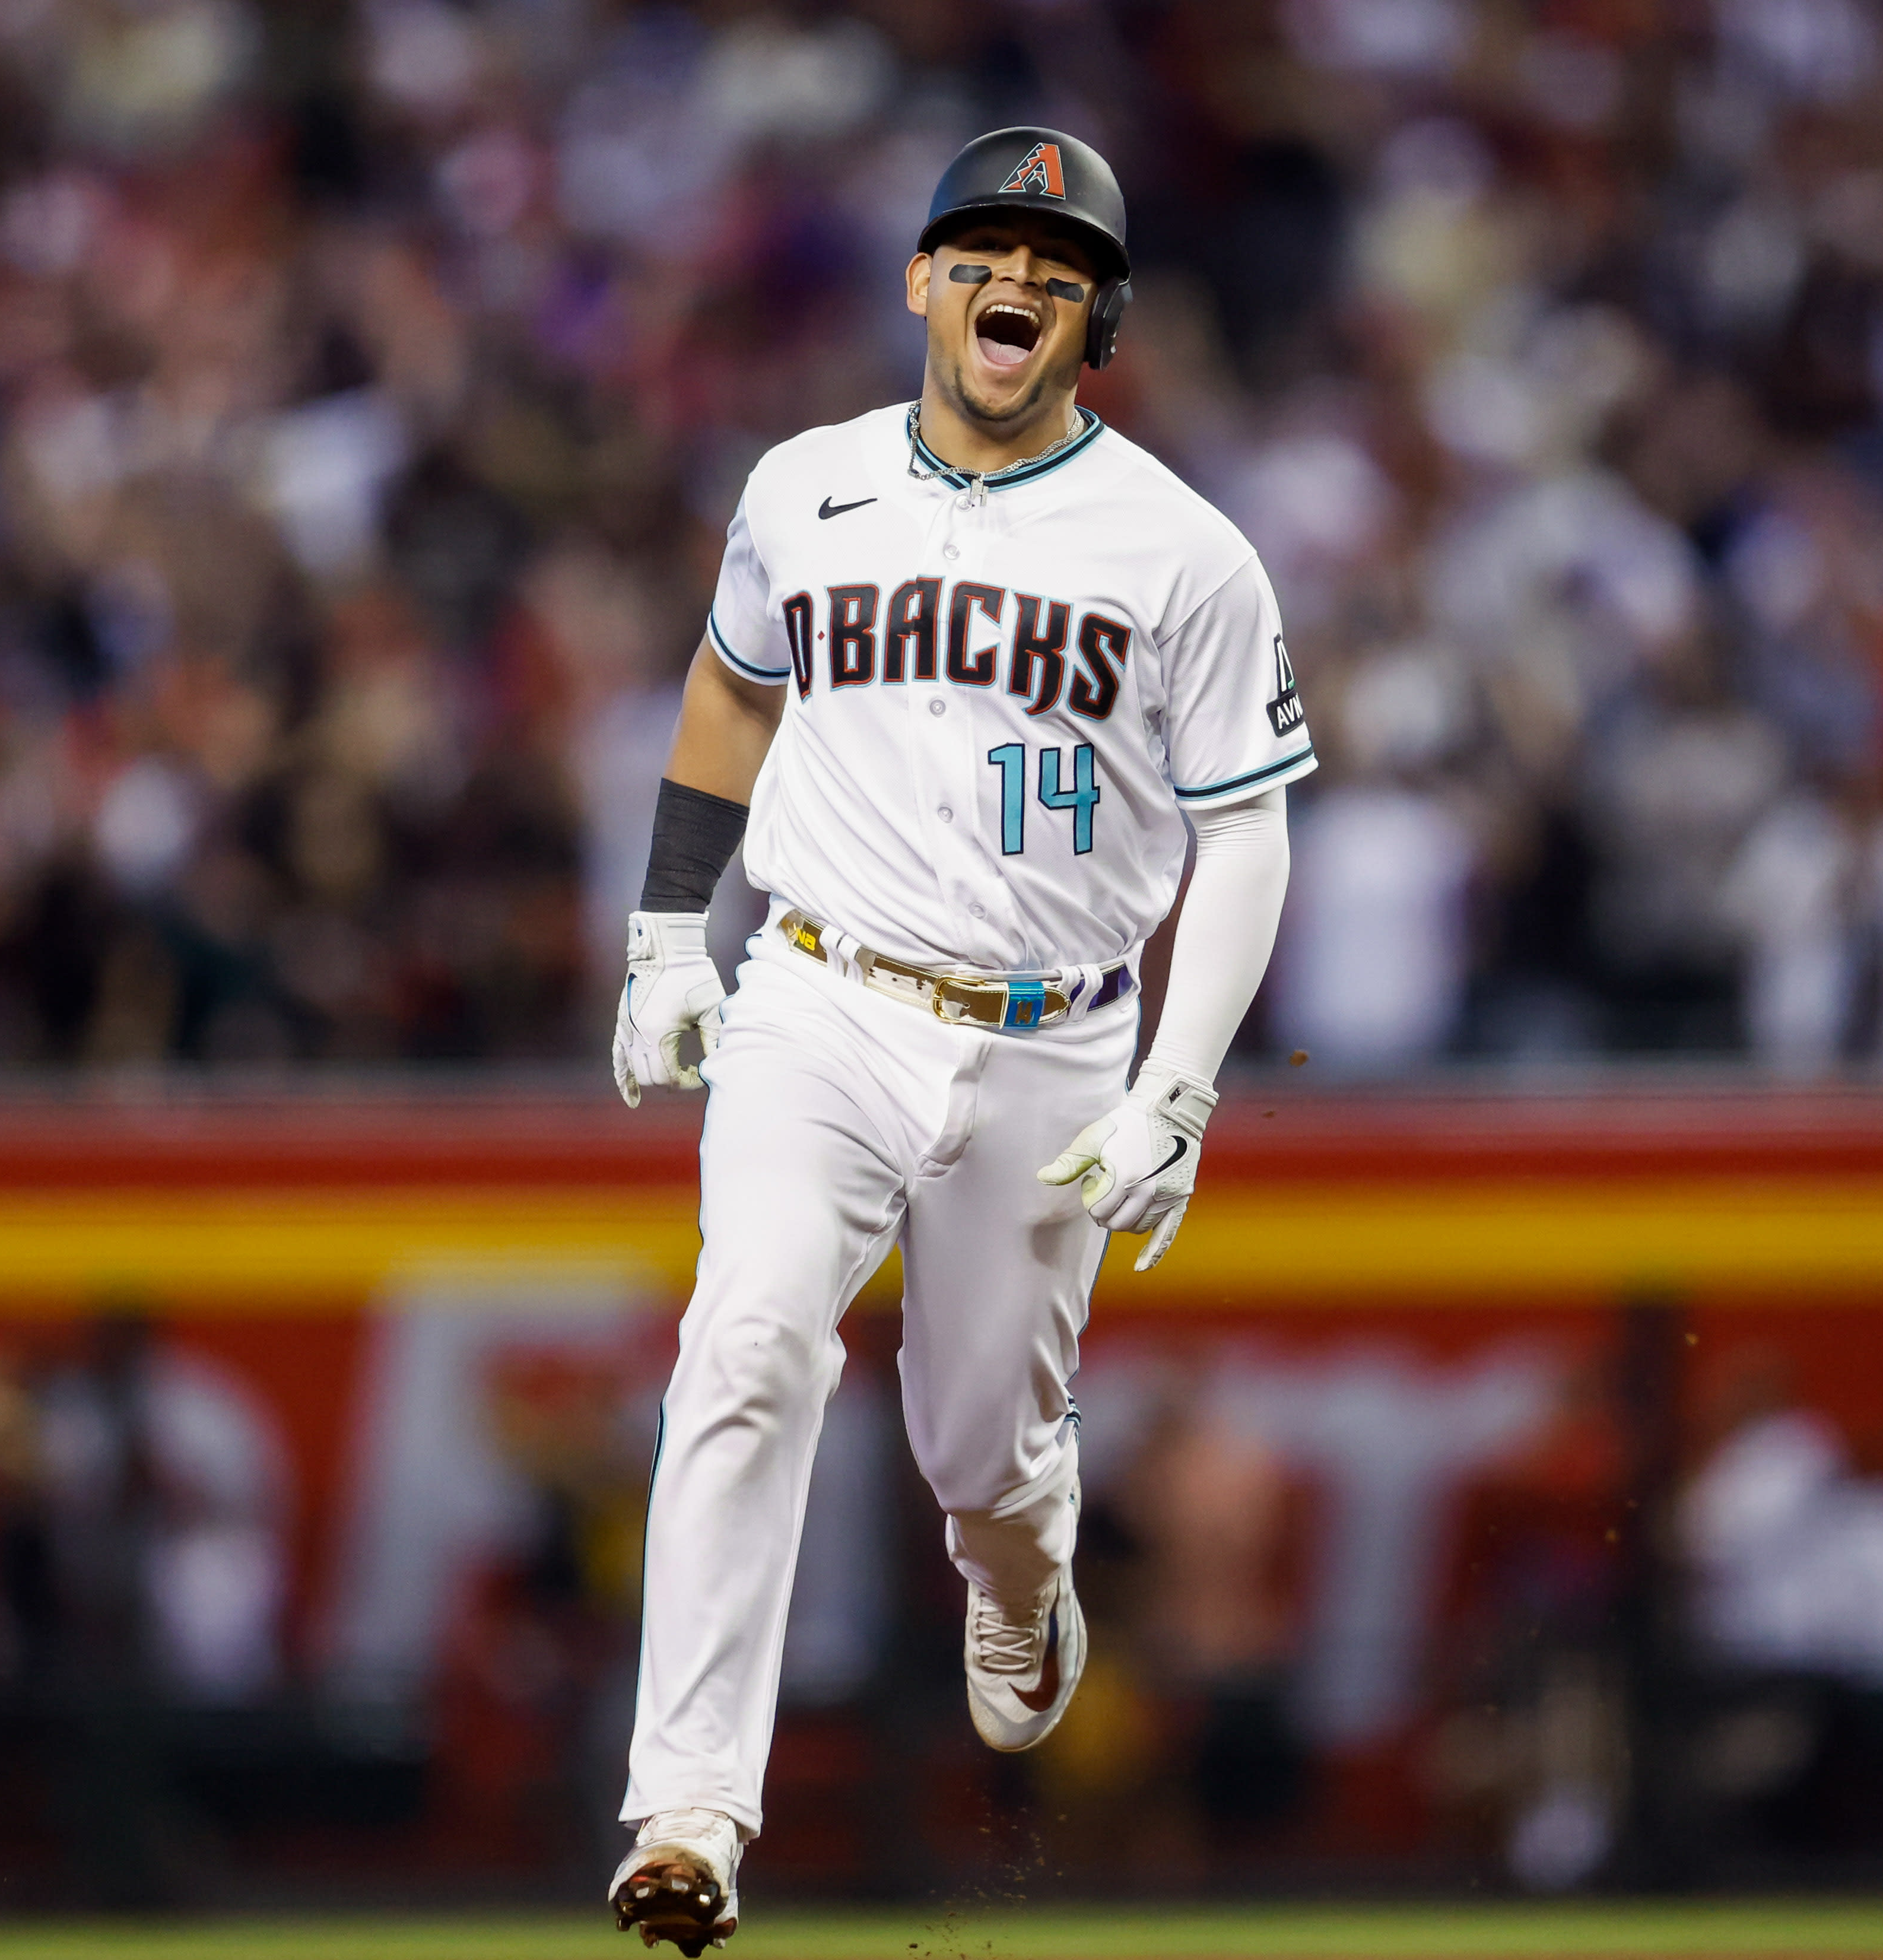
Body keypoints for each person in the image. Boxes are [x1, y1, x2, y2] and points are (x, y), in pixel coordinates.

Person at [604, 127, 1311, 1953]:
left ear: (1100, 323)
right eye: (989, 249)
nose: (1020, 281)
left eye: (1061, 265)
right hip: (820, 993)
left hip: (1053, 1043)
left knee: (978, 1454)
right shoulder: (801, 486)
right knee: (746, 1337)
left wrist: (1180, 1087)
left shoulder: (1184, 550)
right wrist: (671, 928)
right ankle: (687, 1810)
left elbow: (1244, 829)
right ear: (924, 280)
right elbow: (729, 684)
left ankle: (1023, 1564)